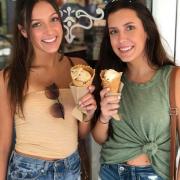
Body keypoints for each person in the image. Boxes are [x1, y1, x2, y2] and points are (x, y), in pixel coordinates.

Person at [0, 0, 96, 179]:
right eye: (37, 24)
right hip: (29, 172)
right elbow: (2, 145)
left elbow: (82, 133)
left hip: (71, 169)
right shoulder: (8, 77)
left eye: (54, 19)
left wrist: (87, 114)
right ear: (24, 31)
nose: (50, 30)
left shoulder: (78, 67)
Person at [92, 0, 180, 179]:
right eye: (113, 32)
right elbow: (100, 138)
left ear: (147, 31)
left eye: (129, 27)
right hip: (111, 172)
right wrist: (104, 117)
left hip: (154, 174)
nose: (121, 39)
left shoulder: (173, 78)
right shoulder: (111, 78)